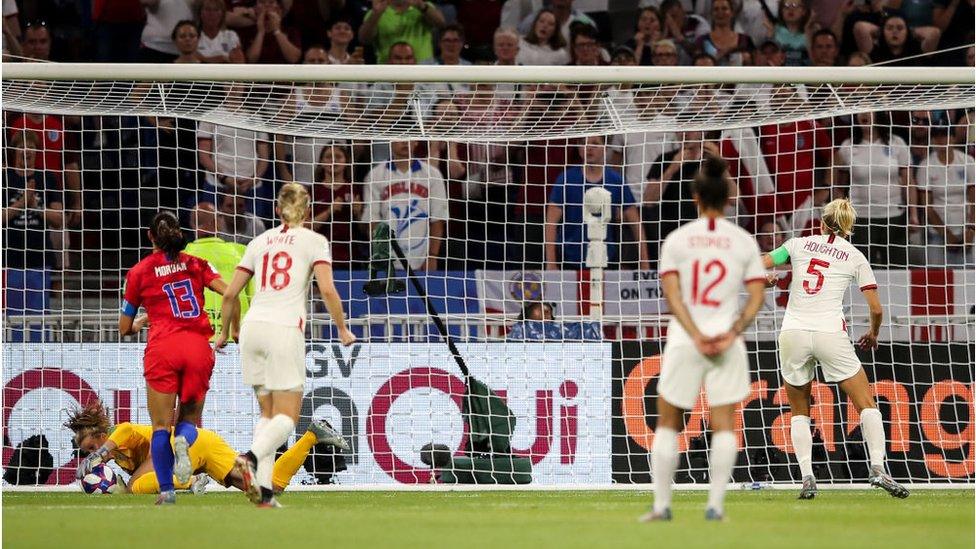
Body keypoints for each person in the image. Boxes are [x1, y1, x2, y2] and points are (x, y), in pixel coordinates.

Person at [639, 156, 766, 522]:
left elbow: (673, 297)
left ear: (694, 195)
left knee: (667, 422)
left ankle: (662, 506)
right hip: (727, 339)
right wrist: (730, 332)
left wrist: (695, 334)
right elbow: (757, 296)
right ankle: (715, 506)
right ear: (729, 197)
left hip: (686, 339)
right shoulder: (742, 241)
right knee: (724, 422)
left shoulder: (677, 240)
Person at [217, 183, 356, 508]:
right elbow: (327, 290)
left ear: (279, 210)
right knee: (288, 417)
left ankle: (264, 493)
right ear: (306, 210)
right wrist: (342, 328)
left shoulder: (258, 241)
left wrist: (225, 333)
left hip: (251, 328)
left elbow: (229, 294)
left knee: (267, 414)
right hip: (283, 328)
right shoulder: (314, 241)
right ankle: (249, 458)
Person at [762, 198, 910, 500]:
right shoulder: (855, 256)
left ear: (821, 223)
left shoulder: (797, 244)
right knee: (866, 403)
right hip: (830, 333)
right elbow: (877, 309)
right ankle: (878, 467)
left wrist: (765, 279)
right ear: (849, 228)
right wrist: (873, 333)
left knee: (799, 410)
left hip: (794, 333)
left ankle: (807, 477)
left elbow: (761, 262)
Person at [96, 211, 234, 505]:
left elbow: (123, 328)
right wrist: (228, 329)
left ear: (150, 237)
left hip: (163, 348)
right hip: (198, 347)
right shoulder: (197, 264)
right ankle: (184, 438)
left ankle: (167, 492)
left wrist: (141, 321)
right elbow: (229, 292)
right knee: (189, 420)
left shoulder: (139, 272)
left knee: (160, 426)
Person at [66, 400, 348, 495]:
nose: (92, 453)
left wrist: (97, 459)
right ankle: (312, 434)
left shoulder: (122, 432)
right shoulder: (120, 455)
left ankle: (189, 481)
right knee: (268, 488)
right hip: (205, 445)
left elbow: (138, 442)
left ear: (102, 435)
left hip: (191, 446)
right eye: (87, 451)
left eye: (92, 446)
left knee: (136, 486)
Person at [545, 135, 650, 271]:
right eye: (584, 143)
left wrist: (645, 262)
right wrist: (551, 262)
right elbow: (551, 223)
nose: (588, 148)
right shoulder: (566, 179)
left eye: (595, 143)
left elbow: (635, 223)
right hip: (569, 260)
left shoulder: (615, 180)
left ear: (605, 148)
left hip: (606, 260)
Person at [833, 111, 916, 267]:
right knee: (860, 271)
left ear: (878, 115)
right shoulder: (848, 146)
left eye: (868, 111)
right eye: (860, 111)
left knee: (896, 269)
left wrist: (913, 214)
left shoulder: (896, 143)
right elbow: (840, 188)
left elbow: (909, 182)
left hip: (893, 216)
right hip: (860, 218)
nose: (863, 115)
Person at [3, 130, 63, 342]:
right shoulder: (4, 178)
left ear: (37, 152)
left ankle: (38, 363)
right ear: (14, 151)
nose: (26, 151)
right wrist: (20, 204)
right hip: (10, 262)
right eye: (22, 146)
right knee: (12, 318)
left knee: (38, 320)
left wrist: (36, 207)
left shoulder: (46, 178)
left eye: (32, 147)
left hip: (39, 260)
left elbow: (59, 218)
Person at [362, 140, 448, 271]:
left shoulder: (433, 175)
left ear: (416, 141)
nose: (405, 143)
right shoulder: (375, 175)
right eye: (400, 138)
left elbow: (438, 219)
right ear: (390, 141)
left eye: (409, 137)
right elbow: (372, 221)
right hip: (388, 257)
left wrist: (432, 256)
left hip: (422, 257)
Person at [184, 202, 253, 338]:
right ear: (216, 223)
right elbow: (255, 298)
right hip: (237, 336)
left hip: (195, 338)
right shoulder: (242, 252)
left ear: (193, 226)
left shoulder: (181, 257)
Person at [916, 116, 975, 267]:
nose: (942, 140)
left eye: (945, 135)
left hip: (967, 229)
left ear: (953, 138)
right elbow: (927, 207)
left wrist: (971, 228)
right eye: (937, 136)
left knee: (970, 280)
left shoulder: (967, 161)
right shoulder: (925, 166)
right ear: (933, 139)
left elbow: (974, 198)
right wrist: (946, 234)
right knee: (936, 280)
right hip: (938, 233)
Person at [358, 0, 446, 63]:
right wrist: (376, 13)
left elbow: (441, 23)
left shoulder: (424, 6)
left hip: (423, 68)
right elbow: (364, 39)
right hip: (388, 70)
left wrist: (421, 5)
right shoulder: (377, 11)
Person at [696, 0, 754, 66]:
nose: (720, 12)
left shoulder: (745, 40)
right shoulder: (702, 41)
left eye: (724, 8)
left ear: (732, 13)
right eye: (716, 9)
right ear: (711, 13)